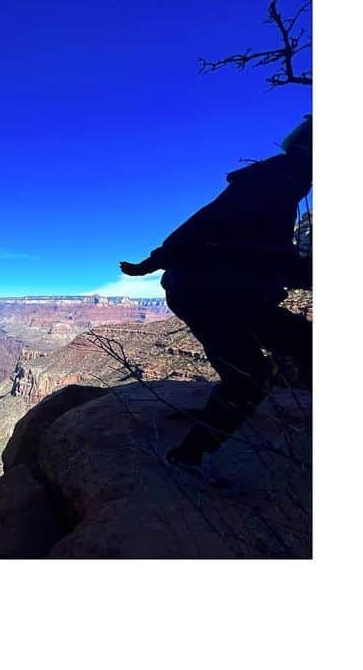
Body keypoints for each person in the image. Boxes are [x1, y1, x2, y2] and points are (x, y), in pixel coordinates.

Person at [119, 115, 313, 468]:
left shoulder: (285, 187)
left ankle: (223, 415)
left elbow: (273, 259)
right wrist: (151, 263)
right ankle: (188, 459)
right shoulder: (268, 183)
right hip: (204, 292)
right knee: (249, 377)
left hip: (239, 292)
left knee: (305, 345)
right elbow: (201, 227)